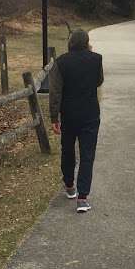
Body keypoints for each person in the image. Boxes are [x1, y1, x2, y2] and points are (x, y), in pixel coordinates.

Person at [48, 29, 103, 213]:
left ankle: (69, 184)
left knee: (68, 149)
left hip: (69, 113)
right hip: (90, 113)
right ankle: (83, 197)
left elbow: (55, 91)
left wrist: (54, 117)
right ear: (87, 42)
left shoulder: (61, 62)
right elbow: (98, 81)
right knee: (87, 155)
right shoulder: (96, 59)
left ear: (70, 42)